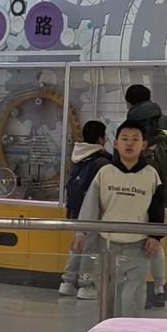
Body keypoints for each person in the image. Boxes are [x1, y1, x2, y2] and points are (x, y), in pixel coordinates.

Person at [71, 120, 163, 318]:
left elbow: (157, 209)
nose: (129, 143)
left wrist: (155, 236)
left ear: (143, 145)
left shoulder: (151, 175)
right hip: (107, 246)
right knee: (108, 296)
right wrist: (81, 232)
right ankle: (109, 331)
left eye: (135, 139)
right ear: (116, 143)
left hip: (139, 247)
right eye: (124, 138)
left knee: (133, 296)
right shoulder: (105, 173)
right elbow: (91, 205)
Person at [124, 84, 167, 308]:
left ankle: (140, 289)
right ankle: (159, 288)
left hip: (140, 187)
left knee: (138, 241)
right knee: (155, 237)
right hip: (165, 185)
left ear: (129, 102)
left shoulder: (132, 123)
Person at [60, 120, 111, 301]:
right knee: (90, 249)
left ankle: (67, 282)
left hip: (75, 210)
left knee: (76, 246)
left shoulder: (78, 156)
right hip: (92, 213)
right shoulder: (102, 161)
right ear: (100, 139)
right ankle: (86, 284)